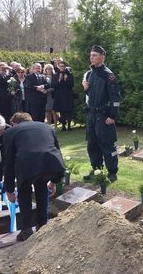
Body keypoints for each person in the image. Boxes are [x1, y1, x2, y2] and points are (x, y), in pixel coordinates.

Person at [3, 112, 65, 242]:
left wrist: (8, 190)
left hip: (27, 166)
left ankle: (26, 230)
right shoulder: (47, 127)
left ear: (14, 123)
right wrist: (54, 182)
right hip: (52, 163)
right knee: (41, 187)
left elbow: (8, 162)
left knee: (24, 193)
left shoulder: (11, 131)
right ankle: (42, 225)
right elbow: (57, 150)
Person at [82, 45, 121, 182]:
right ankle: (97, 169)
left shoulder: (108, 75)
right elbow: (93, 95)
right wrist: (86, 89)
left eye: (94, 55)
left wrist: (112, 116)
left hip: (104, 116)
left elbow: (115, 98)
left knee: (107, 144)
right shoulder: (91, 73)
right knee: (92, 144)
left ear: (102, 57)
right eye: (91, 55)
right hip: (91, 115)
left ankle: (112, 172)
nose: (91, 57)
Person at [52, 61, 75, 131]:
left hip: (67, 95)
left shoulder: (69, 74)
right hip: (59, 96)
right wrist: (59, 80)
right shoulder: (55, 75)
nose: (62, 67)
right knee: (62, 112)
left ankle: (69, 126)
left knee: (68, 111)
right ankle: (63, 126)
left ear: (65, 67)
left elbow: (71, 85)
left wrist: (66, 79)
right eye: (60, 66)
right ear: (58, 67)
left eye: (63, 66)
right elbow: (53, 85)